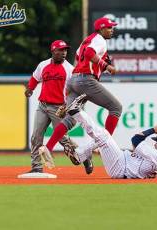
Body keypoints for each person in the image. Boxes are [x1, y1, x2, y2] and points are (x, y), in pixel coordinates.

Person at [41, 17, 122, 174]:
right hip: (86, 80)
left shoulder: (87, 40)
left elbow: (80, 58)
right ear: (101, 29)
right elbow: (90, 53)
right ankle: (101, 145)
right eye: (109, 27)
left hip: (74, 80)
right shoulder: (99, 40)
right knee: (115, 107)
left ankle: (48, 147)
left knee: (70, 119)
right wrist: (106, 66)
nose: (112, 30)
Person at [39, 94, 157, 179]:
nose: (155, 143)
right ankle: (79, 155)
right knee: (103, 139)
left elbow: (135, 140)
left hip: (120, 167)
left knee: (104, 136)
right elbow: (135, 152)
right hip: (122, 162)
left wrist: (152, 130)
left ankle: (76, 112)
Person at [25, 40, 81, 173]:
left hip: (59, 109)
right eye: (60, 50)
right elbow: (35, 78)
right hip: (43, 106)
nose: (63, 53)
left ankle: (82, 155)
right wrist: (30, 89)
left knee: (61, 138)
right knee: (36, 136)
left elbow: (74, 91)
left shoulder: (69, 69)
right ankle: (36, 167)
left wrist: (68, 107)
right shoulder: (43, 65)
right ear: (53, 51)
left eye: (65, 50)